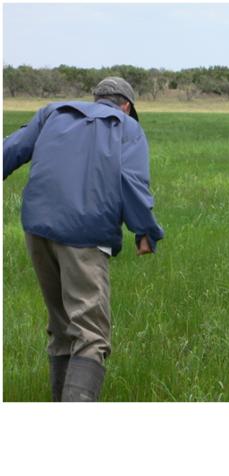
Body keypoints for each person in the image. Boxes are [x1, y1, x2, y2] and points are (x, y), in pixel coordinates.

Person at [3, 76, 164, 402]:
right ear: (127, 106)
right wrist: (145, 231)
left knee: (62, 329)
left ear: (98, 97)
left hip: (37, 229)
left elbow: (12, 149)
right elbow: (132, 183)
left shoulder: (52, 112)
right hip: (85, 235)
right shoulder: (127, 128)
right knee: (91, 337)